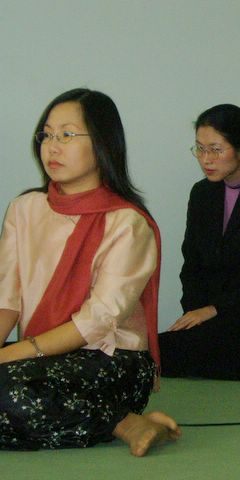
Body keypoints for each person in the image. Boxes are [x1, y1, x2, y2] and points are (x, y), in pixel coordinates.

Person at [0, 88, 180, 455]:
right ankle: (120, 422)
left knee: (13, 396)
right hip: (41, 356)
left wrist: (10, 355)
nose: (52, 146)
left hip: (110, 360)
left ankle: (120, 420)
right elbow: (6, 299)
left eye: (67, 134)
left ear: (102, 144)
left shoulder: (128, 223)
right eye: (47, 135)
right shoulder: (24, 209)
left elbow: (96, 322)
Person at [159, 104, 240, 380]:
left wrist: (214, 310)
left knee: (159, 354)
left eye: (216, 150)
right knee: (153, 349)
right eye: (200, 149)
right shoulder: (201, 194)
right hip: (209, 320)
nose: (206, 159)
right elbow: (191, 264)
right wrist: (195, 312)